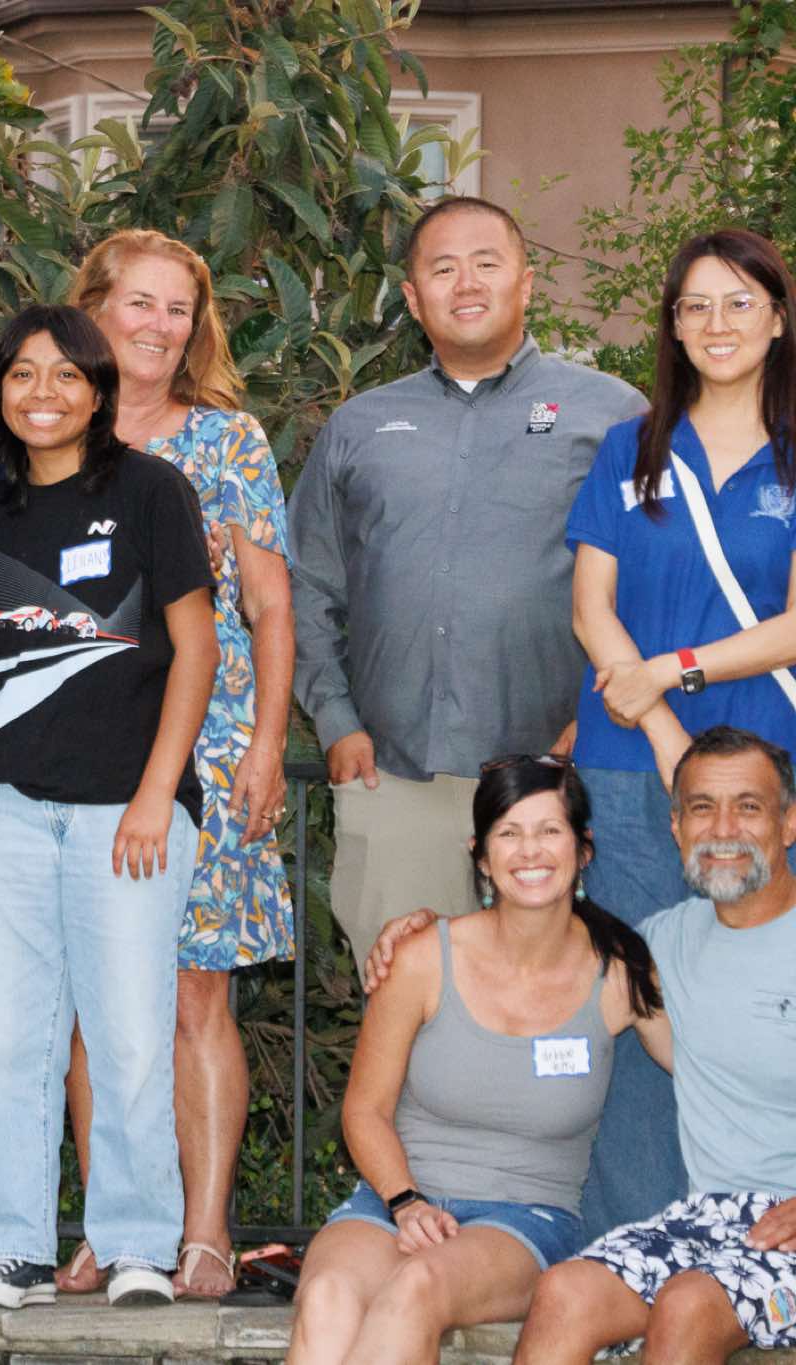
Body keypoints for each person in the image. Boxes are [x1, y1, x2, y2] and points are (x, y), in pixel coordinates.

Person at [289, 195, 645, 976]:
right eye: (443, 268)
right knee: (403, 1003)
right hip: (395, 779)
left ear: (527, 281)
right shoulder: (359, 426)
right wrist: (336, 719)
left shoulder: (615, 415)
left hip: (557, 780)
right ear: (413, 298)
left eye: (487, 262)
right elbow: (306, 586)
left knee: (554, 1004)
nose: (467, 283)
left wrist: (596, 718)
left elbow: (652, 585)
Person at [0, 304, 217, 1311]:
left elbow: (195, 648)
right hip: (10, 810)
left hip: (127, 815)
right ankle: (13, 1248)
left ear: (98, 393)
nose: (43, 393)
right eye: (22, 374)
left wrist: (155, 793)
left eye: (66, 374)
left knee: (130, 1038)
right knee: (1, 1044)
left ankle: (138, 1244)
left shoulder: (150, 491)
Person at [56, 226, 296, 1298]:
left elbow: (270, 605)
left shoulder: (228, 441)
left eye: (178, 309)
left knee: (196, 997)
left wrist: (267, 745)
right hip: (76, 751)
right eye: (139, 303)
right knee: (90, 1006)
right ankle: (113, 1228)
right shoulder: (46, 427)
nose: (158, 326)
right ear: (93, 309)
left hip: (211, 748)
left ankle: (202, 1232)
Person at [562, 227, 796, 1234]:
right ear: (671, 325)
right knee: (634, 996)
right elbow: (590, 609)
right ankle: (633, 1242)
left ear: (777, 319)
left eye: (739, 302)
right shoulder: (631, 447)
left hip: (767, 767)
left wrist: (675, 670)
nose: (716, 323)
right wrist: (662, 728)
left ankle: (761, 1232)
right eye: (695, 305)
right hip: (628, 765)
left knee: (763, 997)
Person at [289, 755, 666, 1365]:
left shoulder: (621, 974)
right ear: (482, 857)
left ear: (583, 849)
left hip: (524, 1219)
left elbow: (717, 1070)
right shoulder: (421, 957)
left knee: (418, 1286)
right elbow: (364, 1110)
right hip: (397, 1199)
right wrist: (405, 1201)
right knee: (327, 1296)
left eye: (549, 830)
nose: (530, 850)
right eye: (509, 833)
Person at [513, 727, 796, 1364]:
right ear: (676, 827)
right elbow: (523, 963)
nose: (723, 829)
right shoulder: (658, 943)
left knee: (689, 1303)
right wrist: (425, 933)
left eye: (749, 807)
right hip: (710, 1221)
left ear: (789, 824)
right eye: (702, 807)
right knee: (566, 1292)